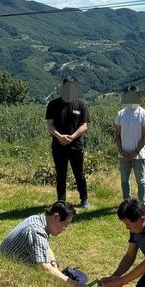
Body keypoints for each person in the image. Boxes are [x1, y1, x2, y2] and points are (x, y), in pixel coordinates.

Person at [0, 201, 87, 287]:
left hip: (8, 267)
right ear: (55, 217)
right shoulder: (36, 231)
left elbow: (45, 246)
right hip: (6, 276)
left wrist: (53, 262)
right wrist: (76, 286)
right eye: (65, 224)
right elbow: (45, 269)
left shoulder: (38, 220)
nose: (65, 229)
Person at [45, 78, 91, 209]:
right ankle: (61, 201)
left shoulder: (81, 104)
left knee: (79, 173)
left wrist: (72, 137)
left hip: (76, 146)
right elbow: (49, 125)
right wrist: (60, 136)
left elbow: (84, 125)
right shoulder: (53, 104)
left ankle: (84, 200)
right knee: (61, 173)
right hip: (58, 145)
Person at [114, 86, 145, 204]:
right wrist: (121, 151)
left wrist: (135, 151)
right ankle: (127, 203)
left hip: (139, 155)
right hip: (123, 154)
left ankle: (142, 204)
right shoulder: (120, 114)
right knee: (124, 180)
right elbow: (117, 134)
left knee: (140, 181)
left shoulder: (144, 114)